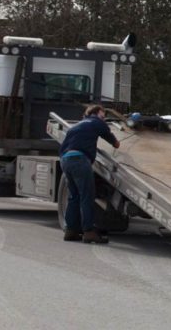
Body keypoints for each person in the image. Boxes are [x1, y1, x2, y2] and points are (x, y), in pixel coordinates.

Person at [59, 105, 120, 244]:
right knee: (87, 196)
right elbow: (114, 142)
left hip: (66, 160)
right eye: (103, 116)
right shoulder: (96, 122)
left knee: (74, 197)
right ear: (96, 113)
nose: (103, 119)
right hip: (80, 160)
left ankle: (71, 231)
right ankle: (88, 232)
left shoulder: (76, 125)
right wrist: (117, 143)